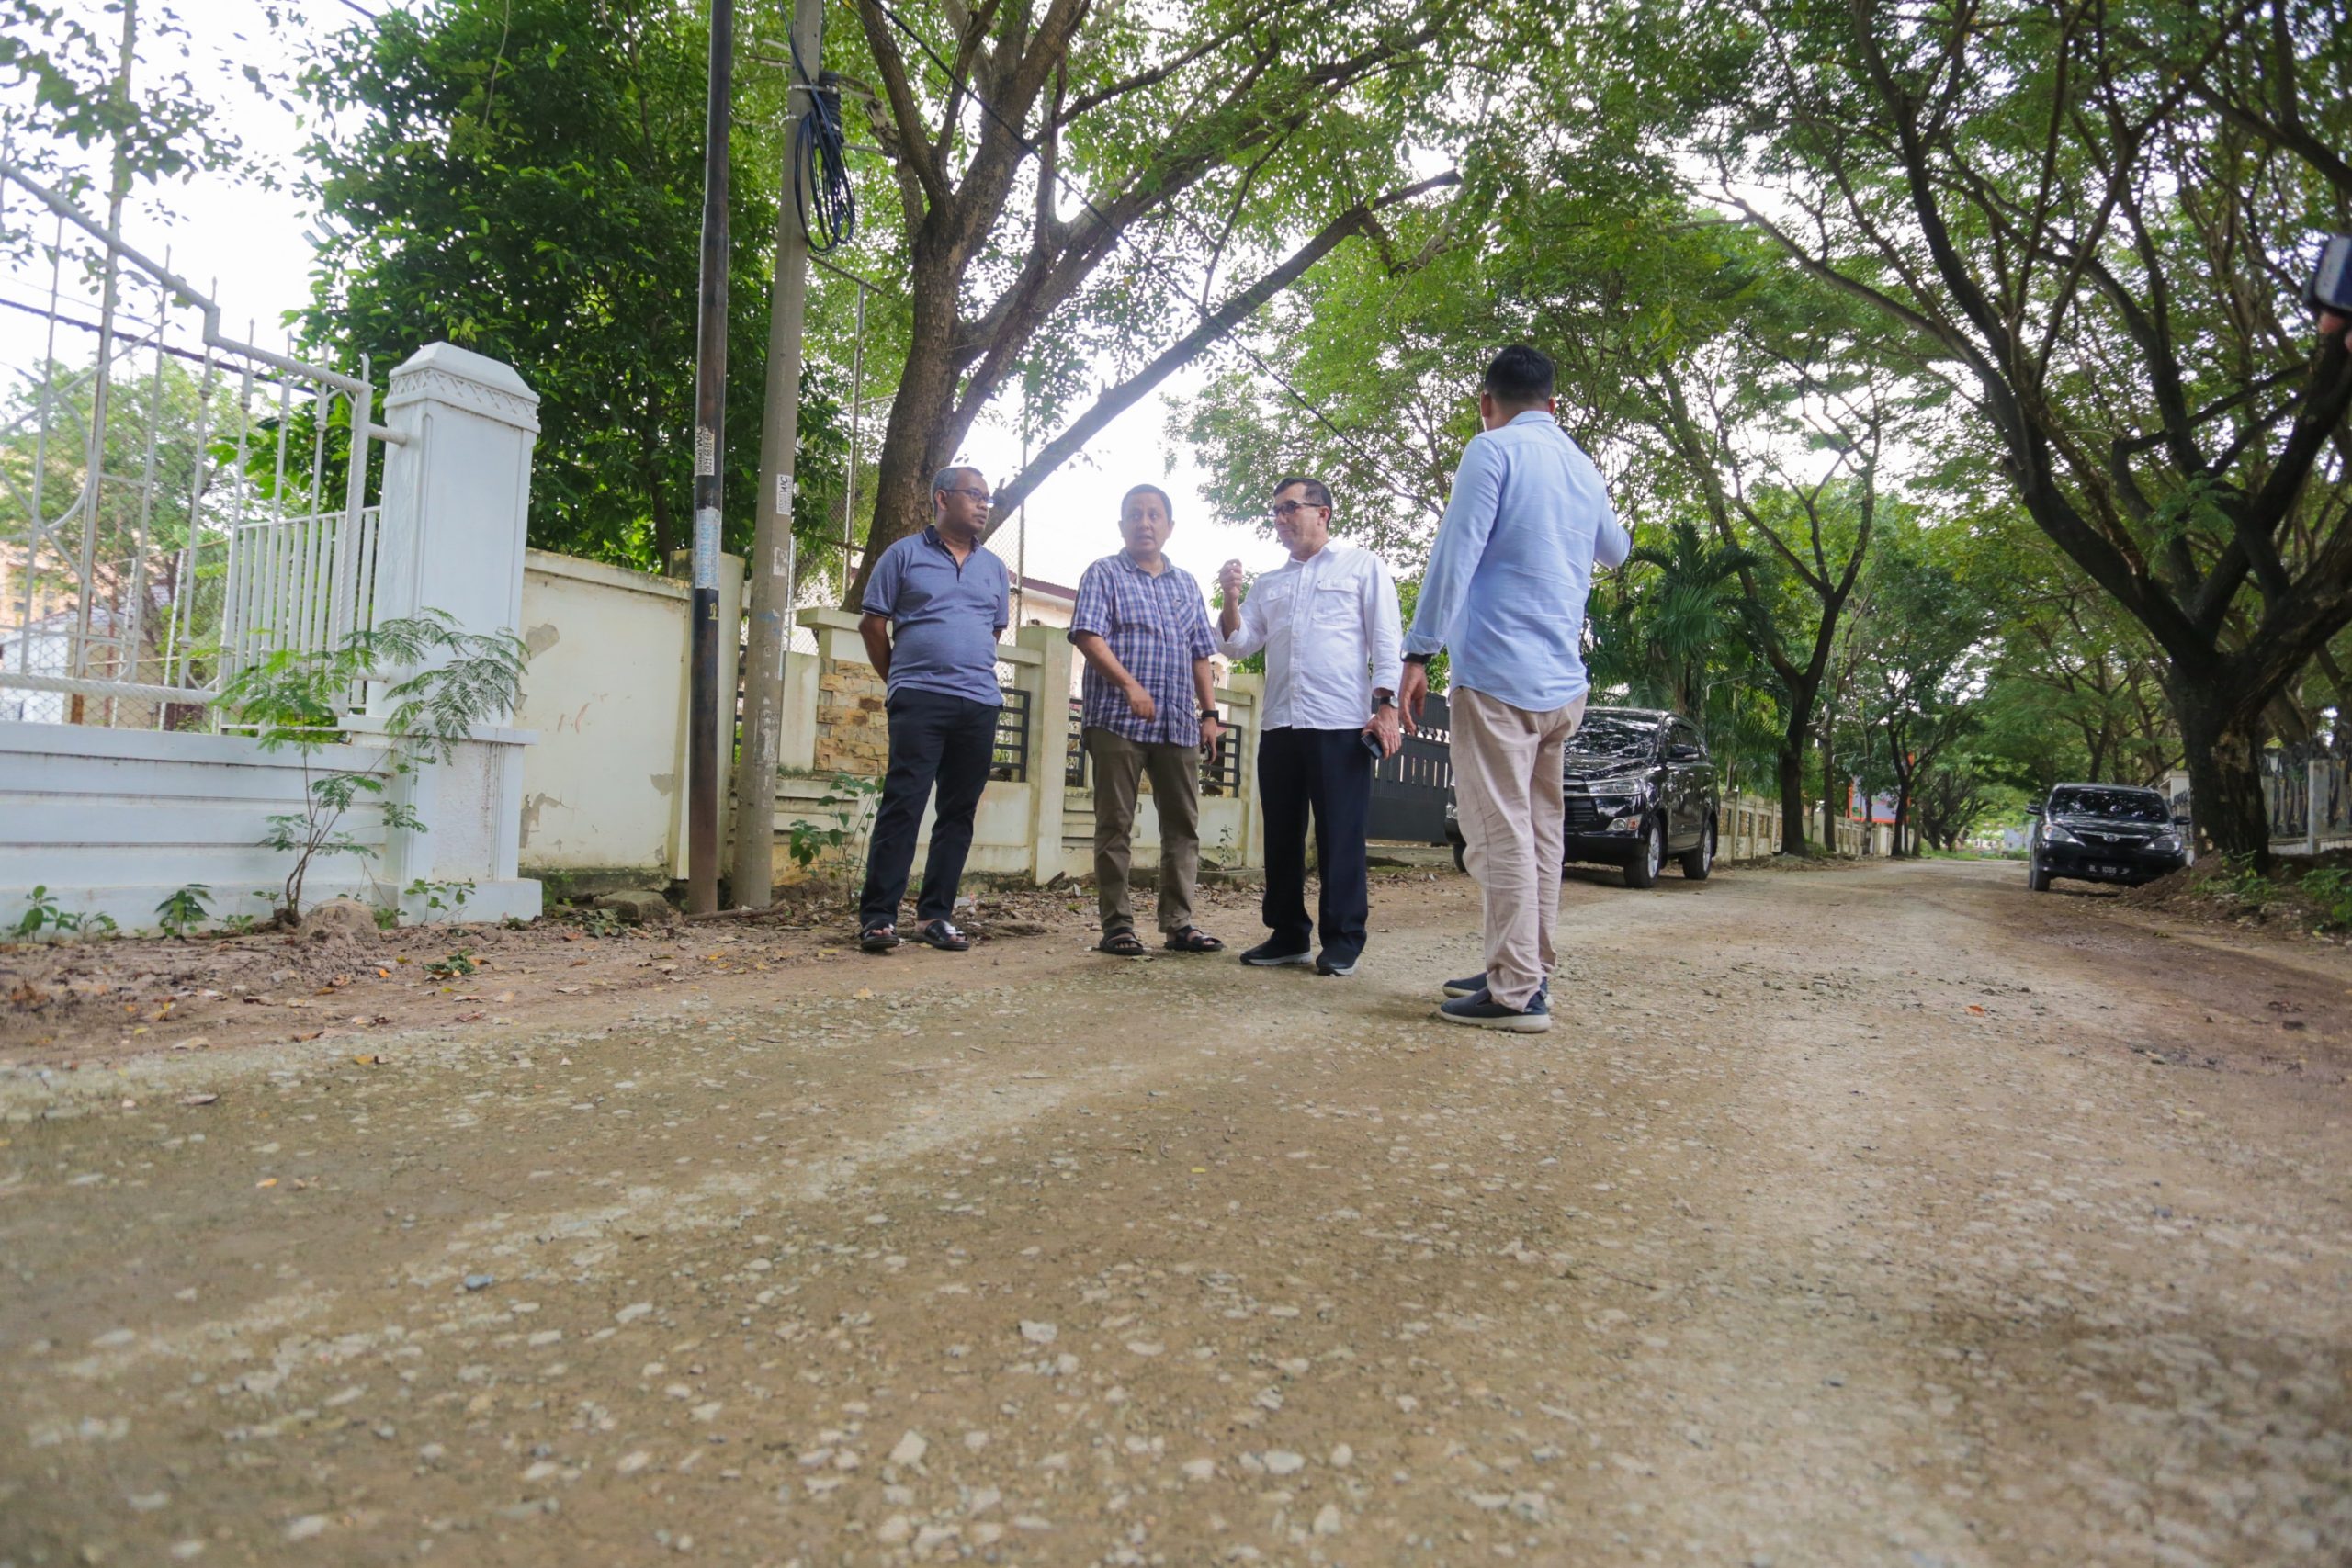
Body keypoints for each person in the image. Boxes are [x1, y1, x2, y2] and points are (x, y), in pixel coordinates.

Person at [1399, 346, 1630, 1031]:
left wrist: (1419, 650)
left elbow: (1455, 548)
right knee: (1537, 834)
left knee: (1499, 833)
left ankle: (1516, 991)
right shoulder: (1582, 467)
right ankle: (1525, 966)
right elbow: (1616, 550)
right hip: (1562, 686)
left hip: (1499, 677)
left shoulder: (1490, 450)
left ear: (1486, 405)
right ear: (1554, 405)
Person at [1216, 477, 1403, 976]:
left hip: (1340, 723)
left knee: (1341, 834)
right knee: (1280, 834)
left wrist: (1387, 706)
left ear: (1322, 513)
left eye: (1289, 507)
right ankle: (1287, 933)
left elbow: (1387, 639)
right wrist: (1231, 597)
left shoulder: (1362, 566)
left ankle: (1342, 939)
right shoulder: (1268, 584)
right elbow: (1238, 645)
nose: (1280, 517)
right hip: (1280, 724)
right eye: (1275, 510)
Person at [854, 466, 1012, 955]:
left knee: (958, 813)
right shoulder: (902, 555)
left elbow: (992, 633)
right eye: (975, 495)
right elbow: (872, 626)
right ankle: (879, 918)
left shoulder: (995, 569)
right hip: (919, 698)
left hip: (980, 703)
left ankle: (935, 916)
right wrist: (900, 680)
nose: (985, 504)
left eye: (988, 497)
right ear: (943, 498)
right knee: (904, 804)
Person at [1069, 484, 1227, 957]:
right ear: (1122, 526)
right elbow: (1088, 636)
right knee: (1114, 824)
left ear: (1169, 526)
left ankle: (1179, 923)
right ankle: (1117, 926)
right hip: (1117, 720)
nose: (1145, 523)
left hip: (1177, 723)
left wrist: (1210, 714)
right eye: (1135, 515)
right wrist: (1130, 686)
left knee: (1183, 825)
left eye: (1154, 514)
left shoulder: (1186, 584)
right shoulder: (1104, 573)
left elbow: (1201, 653)